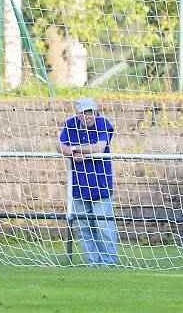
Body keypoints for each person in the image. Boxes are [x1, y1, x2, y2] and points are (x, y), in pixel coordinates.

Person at [57, 97, 119, 266]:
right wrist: (70, 152)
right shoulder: (70, 124)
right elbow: (60, 146)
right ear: (77, 114)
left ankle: (108, 262)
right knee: (84, 226)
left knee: (103, 225)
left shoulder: (102, 123)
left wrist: (77, 149)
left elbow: (99, 147)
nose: (88, 116)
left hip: (100, 184)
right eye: (84, 113)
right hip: (79, 185)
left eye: (90, 112)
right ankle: (93, 262)